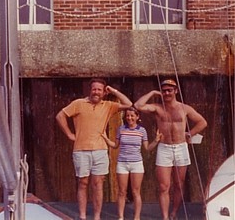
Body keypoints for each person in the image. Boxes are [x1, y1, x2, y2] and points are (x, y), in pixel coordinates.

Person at [55, 78, 132, 220]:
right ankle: (82, 216)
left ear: (104, 92)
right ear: (90, 90)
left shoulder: (108, 105)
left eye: (99, 90)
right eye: (94, 89)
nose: (96, 92)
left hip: (100, 151)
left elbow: (129, 104)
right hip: (80, 150)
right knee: (83, 183)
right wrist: (69, 134)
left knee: (97, 184)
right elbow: (60, 116)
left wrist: (113, 91)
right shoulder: (78, 103)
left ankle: (97, 217)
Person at [134, 79, 207, 220]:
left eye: (170, 90)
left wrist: (189, 134)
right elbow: (138, 105)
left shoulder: (184, 108)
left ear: (176, 91)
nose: (167, 93)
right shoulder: (157, 107)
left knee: (179, 185)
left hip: (181, 147)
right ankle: (165, 217)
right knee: (164, 186)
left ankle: (174, 212)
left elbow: (202, 122)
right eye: (164, 90)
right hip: (164, 148)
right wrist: (152, 92)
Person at [102, 107, 162, 220]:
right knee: (121, 192)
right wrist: (105, 138)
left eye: (132, 116)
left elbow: (147, 148)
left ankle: (137, 217)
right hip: (122, 163)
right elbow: (115, 145)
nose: (129, 118)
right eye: (128, 116)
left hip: (136, 164)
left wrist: (156, 140)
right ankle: (120, 217)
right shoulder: (121, 129)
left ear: (137, 117)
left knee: (135, 192)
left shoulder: (142, 131)